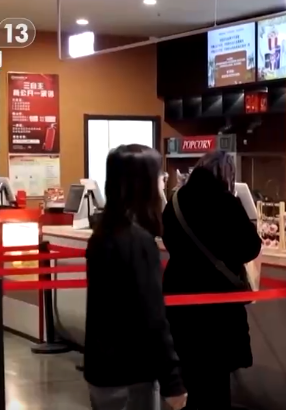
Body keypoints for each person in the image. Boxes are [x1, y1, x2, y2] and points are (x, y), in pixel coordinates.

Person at [83, 144, 187, 410]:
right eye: (160, 175)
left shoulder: (102, 234)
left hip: (101, 369)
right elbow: (152, 316)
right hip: (131, 373)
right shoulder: (138, 242)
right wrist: (173, 381)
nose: (164, 181)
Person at [161, 151, 262, 409]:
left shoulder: (175, 200)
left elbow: (168, 238)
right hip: (217, 307)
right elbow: (250, 247)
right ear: (227, 174)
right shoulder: (226, 203)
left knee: (190, 373)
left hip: (179, 297)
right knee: (215, 382)